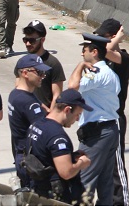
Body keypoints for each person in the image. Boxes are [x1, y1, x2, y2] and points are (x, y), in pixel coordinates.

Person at [66, 32, 126, 205]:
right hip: (110, 130)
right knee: (105, 183)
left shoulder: (96, 72)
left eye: (84, 50)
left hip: (96, 134)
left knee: (84, 179)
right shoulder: (112, 74)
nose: (82, 54)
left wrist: (79, 66)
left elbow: (72, 87)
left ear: (94, 52)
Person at [23, 88, 92, 202]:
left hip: (37, 189)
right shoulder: (57, 136)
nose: (77, 119)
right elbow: (66, 172)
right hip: (54, 195)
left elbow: (44, 155)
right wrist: (81, 163)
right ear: (67, 110)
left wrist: (70, 156)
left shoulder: (36, 125)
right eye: (77, 114)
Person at [96, 18, 129, 204]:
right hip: (101, 118)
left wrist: (118, 37)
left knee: (117, 165)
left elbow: (107, 50)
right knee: (102, 164)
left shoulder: (124, 59)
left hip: (116, 117)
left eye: (104, 37)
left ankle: (121, 201)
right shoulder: (103, 59)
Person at [8, 53, 50, 186]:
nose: (43, 76)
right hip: (31, 160)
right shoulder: (26, 102)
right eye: (39, 72)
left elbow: (46, 110)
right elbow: (45, 131)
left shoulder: (18, 94)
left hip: (24, 156)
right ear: (25, 73)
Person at [21, 20, 66, 108]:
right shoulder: (23, 62)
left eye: (32, 40)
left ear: (42, 40)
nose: (28, 43)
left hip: (44, 117)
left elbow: (57, 95)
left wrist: (50, 117)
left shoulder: (53, 63)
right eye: (25, 40)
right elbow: (19, 88)